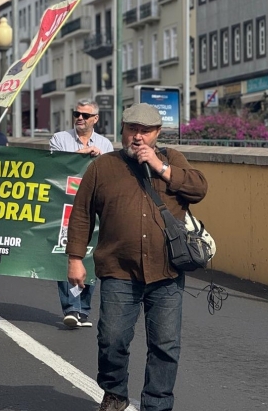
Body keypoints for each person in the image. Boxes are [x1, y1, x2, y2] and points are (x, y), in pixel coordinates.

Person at [65, 103, 208, 411]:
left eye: (145, 131)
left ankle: (157, 405)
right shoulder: (103, 167)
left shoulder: (172, 160)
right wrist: (75, 258)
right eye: (132, 129)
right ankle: (115, 393)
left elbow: (199, 189)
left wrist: (160, 167)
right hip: (119, 270)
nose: (138, 137)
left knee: (165, 346)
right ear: (122, 130)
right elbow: (81, 214)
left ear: (158, 133)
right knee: (112, 339)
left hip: (166, 271)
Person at [49, 99, 114, 329]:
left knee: (91, 255)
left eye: (85, 115)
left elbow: (112, 175)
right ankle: (71, 308)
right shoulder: (60, 139)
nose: (79, 118)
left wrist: (101, 160)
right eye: (76, 113)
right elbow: (55, 167)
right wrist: (81, 154)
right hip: (66, 205)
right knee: (67, 252)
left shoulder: (105, 144)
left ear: (95, 119)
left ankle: (83, 309)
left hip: (94, 208)